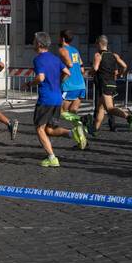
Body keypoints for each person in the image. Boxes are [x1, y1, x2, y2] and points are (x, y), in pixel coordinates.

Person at [28, 31, 87, 167]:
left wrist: (30, 84)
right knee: (49, 129)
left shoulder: (38, 59)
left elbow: (41, 77)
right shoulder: (55, 58)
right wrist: (58, 83)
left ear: (39, 44)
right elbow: (67, 72)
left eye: (33, 41)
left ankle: (52, 157)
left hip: (46, 99)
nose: (32, 43)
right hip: (57, 98)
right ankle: (73, 133)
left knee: (39, 129)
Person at [88, 35, 132, 136]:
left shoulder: (98, 55)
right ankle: (95, 129)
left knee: (109, 108)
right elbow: (124, 66)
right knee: (100, 107)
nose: (95, 46)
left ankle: (129, 117)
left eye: (96, 44)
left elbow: (95, 68)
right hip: (112, 84)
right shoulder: (114, 55)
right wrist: (121, 73)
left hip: (104, 84)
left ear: (99, 44)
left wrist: (89, 73)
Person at [58, 30, 86, 123]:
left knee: (60, 111)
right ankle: (80, 131)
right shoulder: (75, 50)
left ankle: (82, 119)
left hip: (69, 85)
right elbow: (82, 68)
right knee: (73, 112)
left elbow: (69, 64)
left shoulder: (62, 50)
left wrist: (61, 79)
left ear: (62, 38)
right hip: (81, 85)